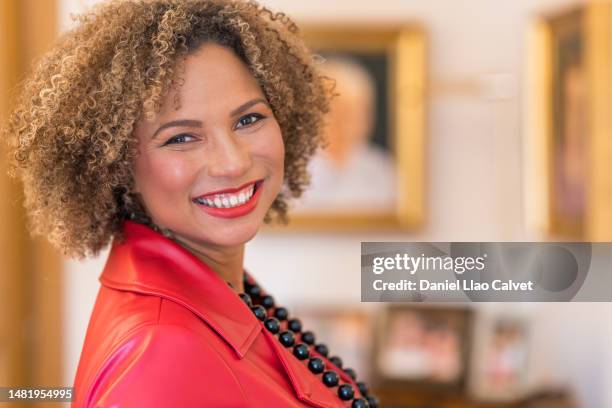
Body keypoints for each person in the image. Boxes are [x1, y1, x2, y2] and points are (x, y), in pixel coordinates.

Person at [2, 1, 378, 407]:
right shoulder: (163, 356)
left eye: (248, 119)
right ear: (115, 165)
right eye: (181, 138)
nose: (232, 162)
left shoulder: (218, 292)